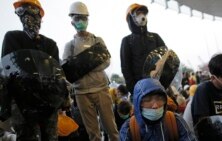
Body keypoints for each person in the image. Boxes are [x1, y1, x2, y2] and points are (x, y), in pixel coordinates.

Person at [1, 0, 69, 140]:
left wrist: (63, 100)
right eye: (20, 11)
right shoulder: (12, 37)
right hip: (21, 101)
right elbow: (6, 72)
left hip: (47, 100)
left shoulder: (50, 44)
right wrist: (4, 103)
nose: (25, 15)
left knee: (50, 136)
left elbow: (58, 75)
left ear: (39, 15)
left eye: (30, 10)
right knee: (27, 136)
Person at [62, 1, 119, 141]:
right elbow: (67, 71)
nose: (80, 21)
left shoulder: (97, 40)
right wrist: (91, 62)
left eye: (83, 18)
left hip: (101, 89)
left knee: (112, 130)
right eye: (77, 18)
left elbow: (106, 61)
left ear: (88, 19)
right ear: (72, 22)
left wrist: (83, 66)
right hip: (81, 93)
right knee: (93, 134)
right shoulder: (69, 46)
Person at [119, 78, 197, 141]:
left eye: (159, 98)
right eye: (148, 100)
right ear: (138, 103)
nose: (155, 106)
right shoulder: (129, 129)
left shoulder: (175, 121)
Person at [120, 3, 167, 101]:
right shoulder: (127, 41)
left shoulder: (155, 37)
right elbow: (126, 68)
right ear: (130, 18)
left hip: (158, 86)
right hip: (140, 89)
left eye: (143, 13)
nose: (142, 16)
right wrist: (134, 89)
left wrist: (163, 81)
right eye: (138, 14)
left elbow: (166, 57)